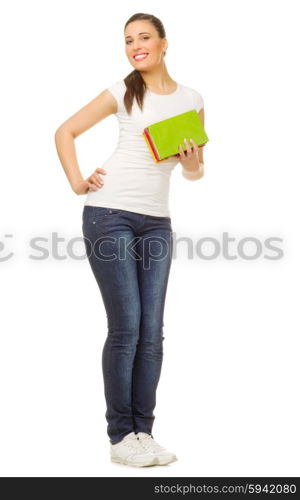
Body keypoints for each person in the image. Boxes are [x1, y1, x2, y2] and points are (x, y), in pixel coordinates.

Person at [54, 12, 205, 468]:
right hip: (109, 215)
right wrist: (78, 181)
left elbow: (194, 173)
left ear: (164, 43)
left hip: (157, 222)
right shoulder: (123, 91)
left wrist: (193, 160)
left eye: (143, 38)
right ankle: (121, 436)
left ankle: (144, 431)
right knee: (127, 329)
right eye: (128, 41)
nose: (135, 46)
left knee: (152, 334)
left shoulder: (192, 98)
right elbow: (65, 131)